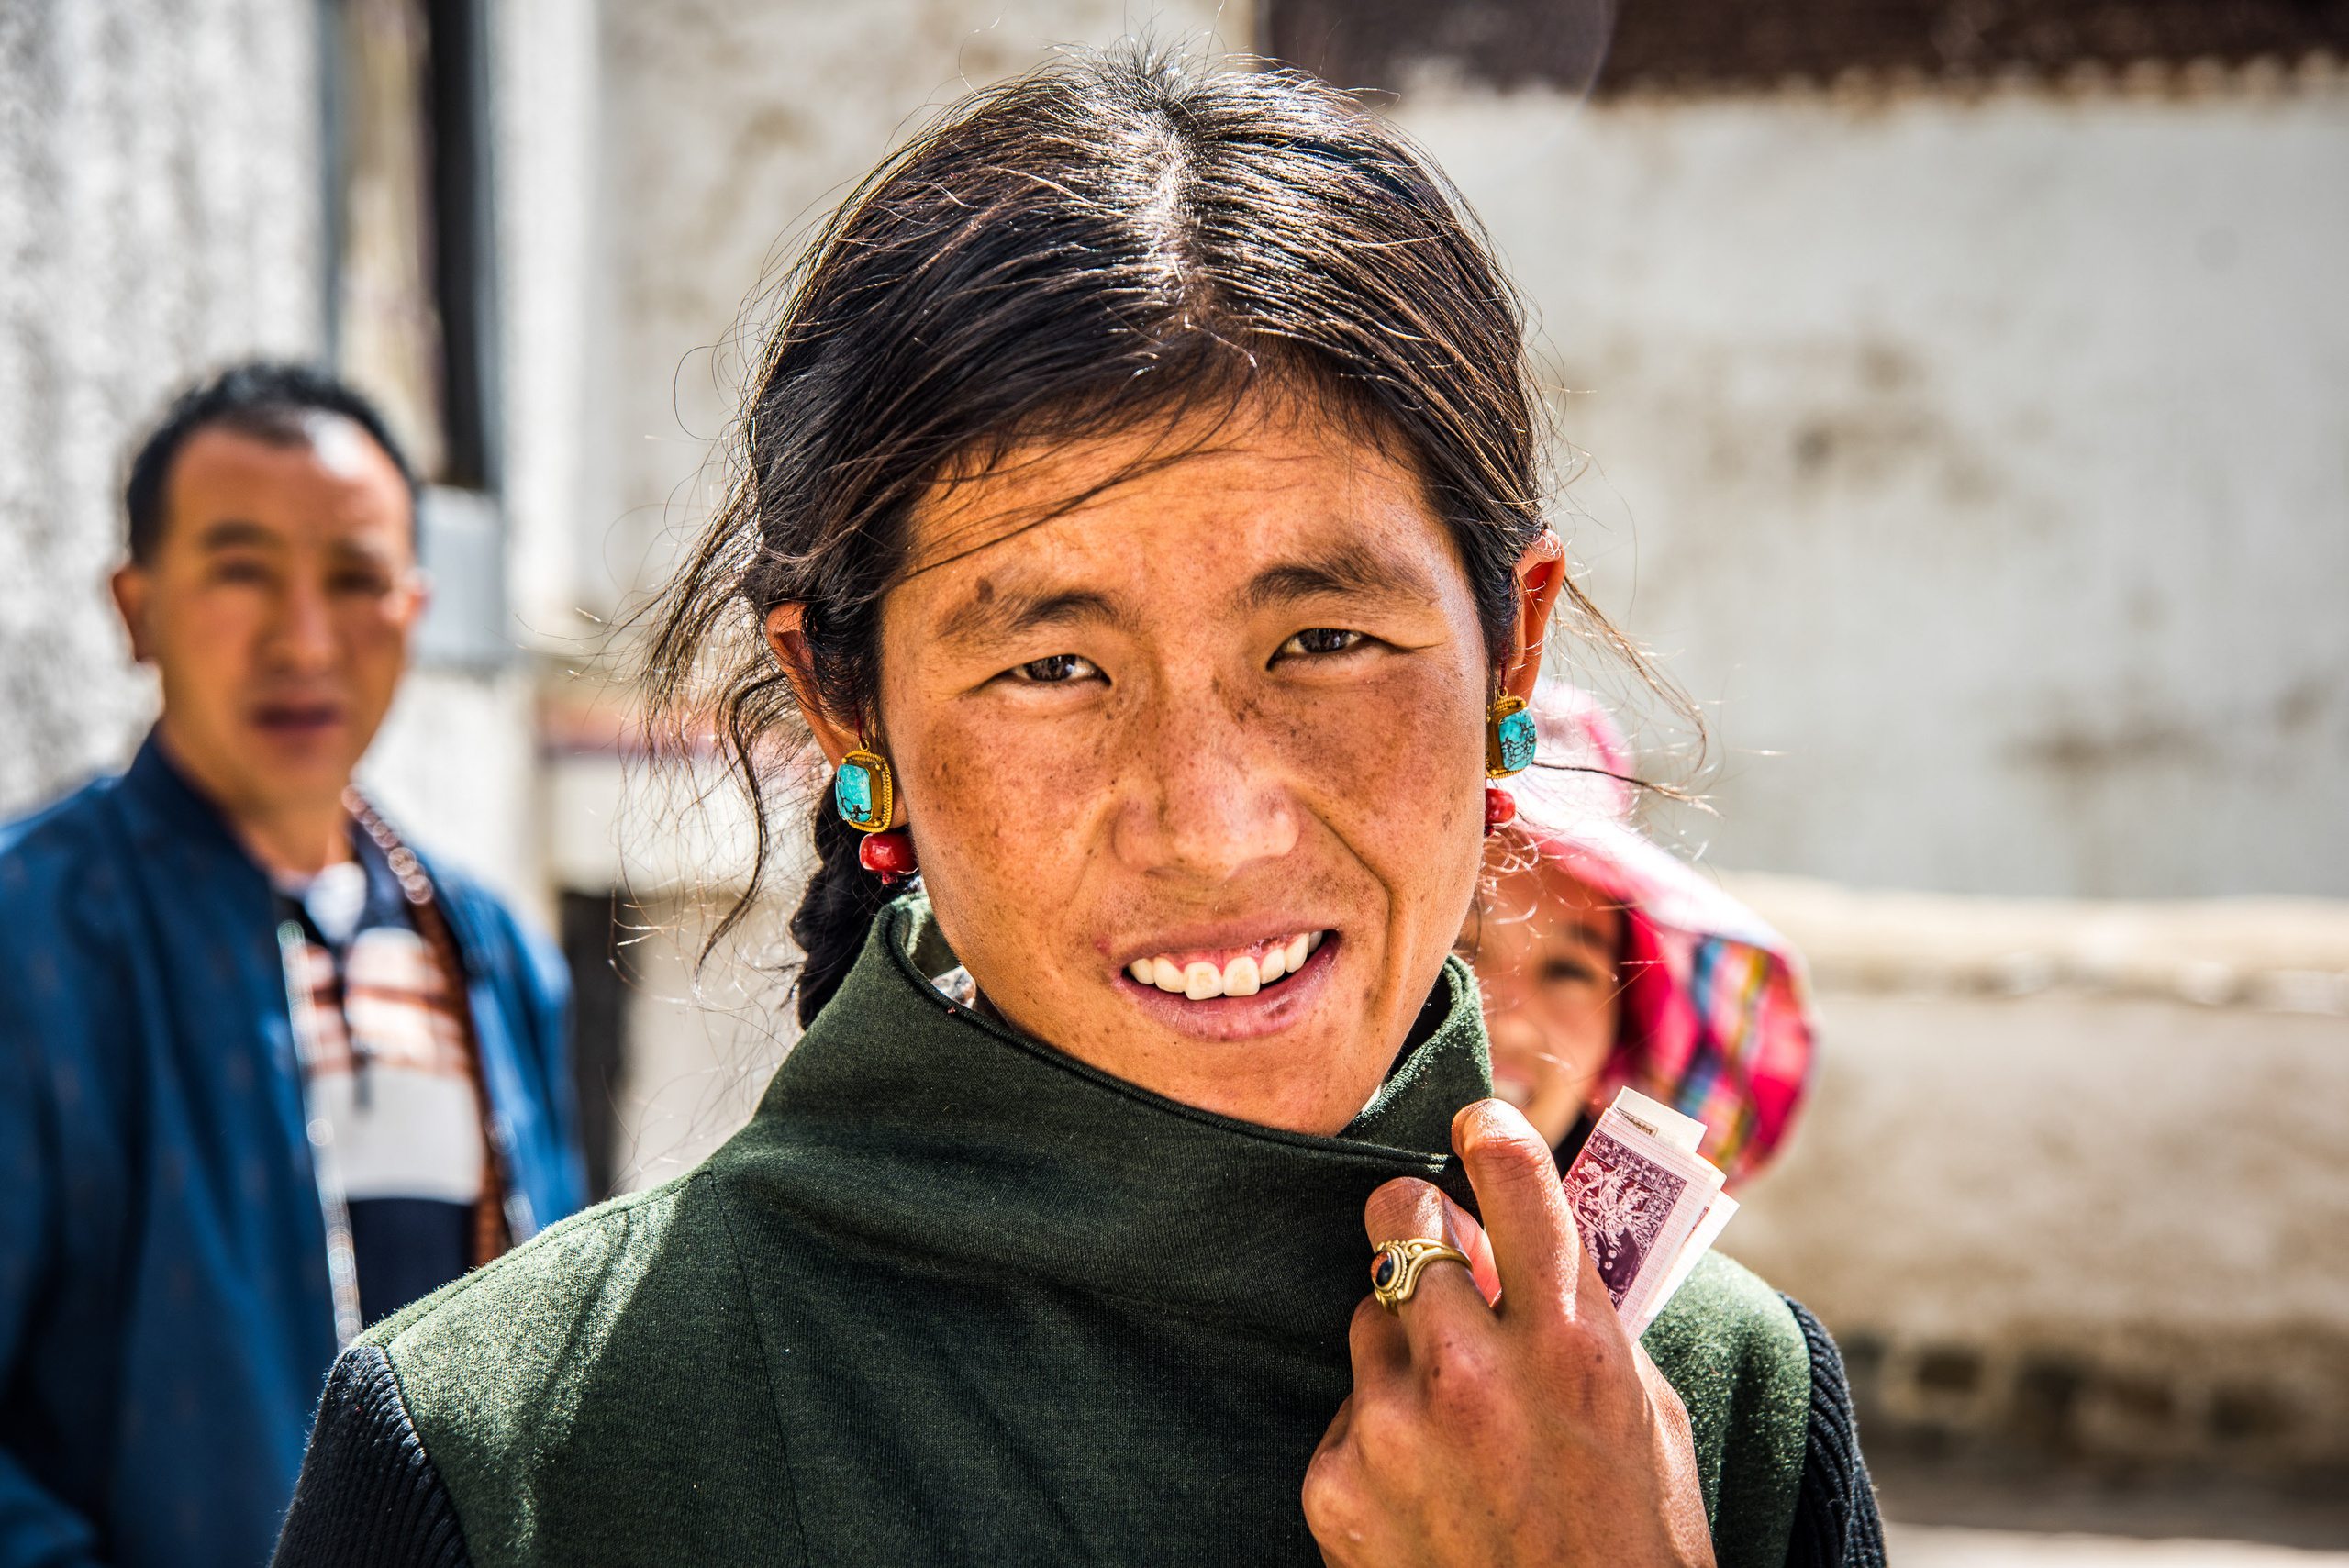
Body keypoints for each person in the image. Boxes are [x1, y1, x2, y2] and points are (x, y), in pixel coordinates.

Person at [273, 52, 1882, 1568]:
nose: (1213, 820)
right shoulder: (511, 1453)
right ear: (853, 707)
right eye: (1051, 664)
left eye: (1322, 641)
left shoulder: (1721, 1408)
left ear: (1512, 642)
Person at [0, 362, 586, 1568]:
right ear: (137, 607)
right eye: (240, 571)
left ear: (415, 610)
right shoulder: (32, 929)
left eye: (356, 579)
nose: (304, 638)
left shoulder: (486, 952)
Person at [1467, 680, 1817, 1186]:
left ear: (1618, 1040)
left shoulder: (1670, 1272)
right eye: (1460, 949)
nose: (1506, 1022)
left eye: (1570, 971)